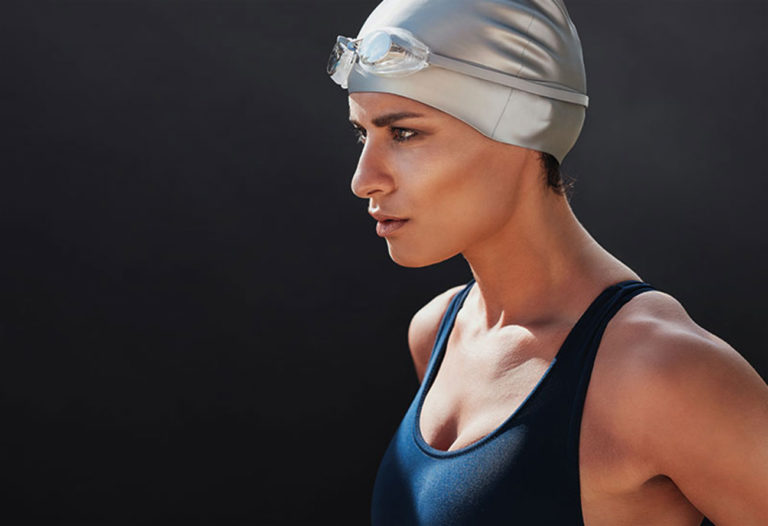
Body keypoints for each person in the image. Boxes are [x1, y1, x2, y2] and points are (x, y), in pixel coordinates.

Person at [326, 1, 768, 524]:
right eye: (363, 133)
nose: (363, 180)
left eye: (404, 133)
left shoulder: (662, 373)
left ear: (521, 130)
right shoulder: (438, 332)